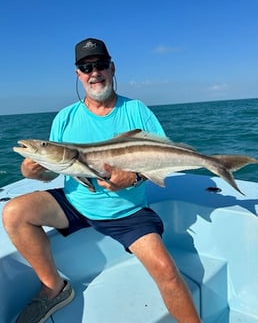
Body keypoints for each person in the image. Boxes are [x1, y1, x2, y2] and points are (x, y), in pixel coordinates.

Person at [3, 38, 201, 323]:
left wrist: (131, 178)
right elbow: (58, 168)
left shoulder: (137, 110)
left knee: (167, 271)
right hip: (75, 202)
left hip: (127, 212)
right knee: (14, 212)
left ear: (112, 68)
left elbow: (162, 159)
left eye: (100, 65)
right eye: (86, 67)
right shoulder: (65, 118)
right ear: (78, 74)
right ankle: (54, 287)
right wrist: (36, 172)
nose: (94, 72)